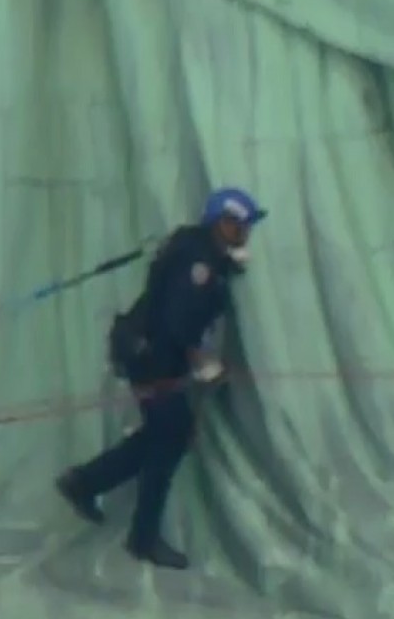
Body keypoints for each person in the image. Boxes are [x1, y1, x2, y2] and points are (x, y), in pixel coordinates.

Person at [55, 187, 267, 570]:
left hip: (149, 352)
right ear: (223, 222)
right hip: (151, 358)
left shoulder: (204, 253)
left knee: (165, 435)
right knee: (170, 437)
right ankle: (141, 536)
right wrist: (202, 364)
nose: (247, 233)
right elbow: (177, 322)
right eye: (242, 225)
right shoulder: (199, 262)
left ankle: (85, 484)